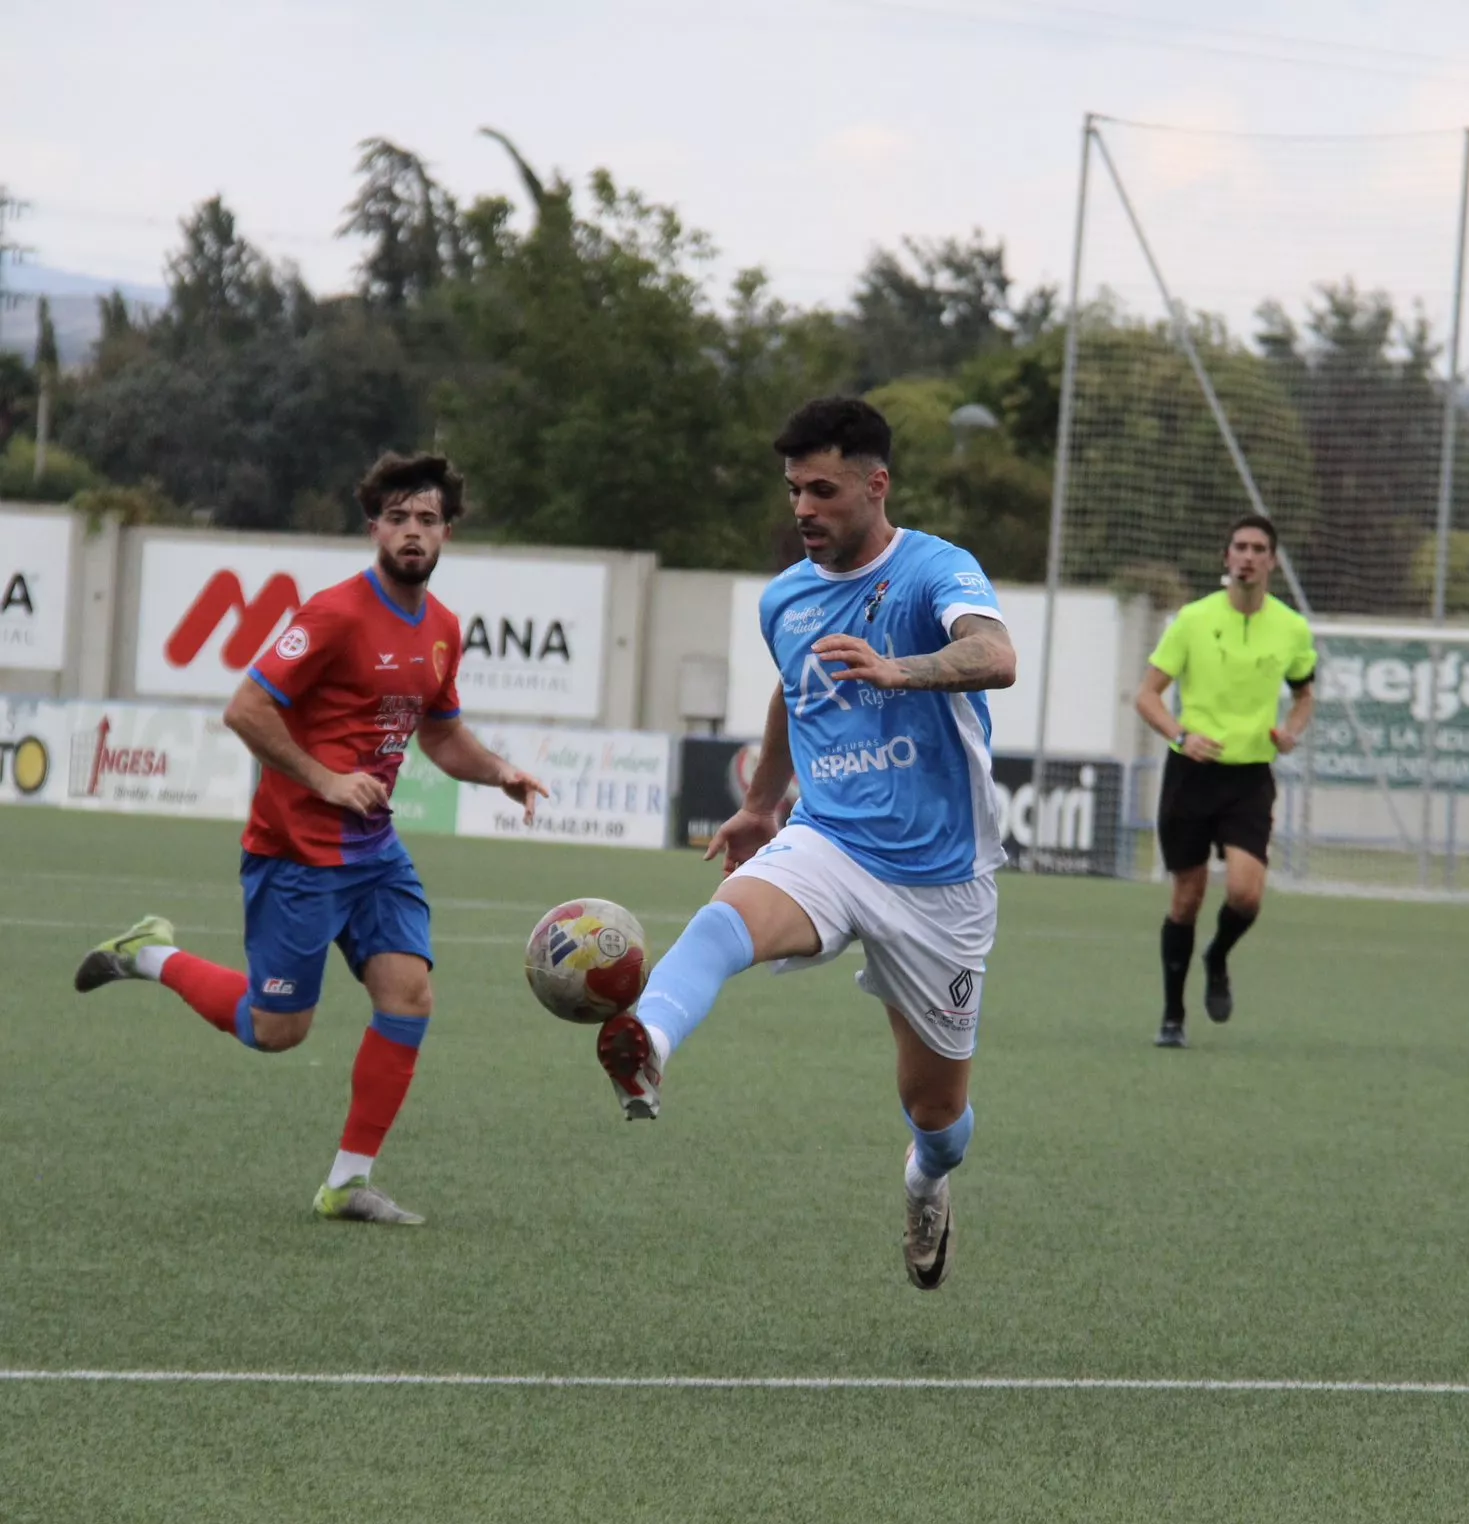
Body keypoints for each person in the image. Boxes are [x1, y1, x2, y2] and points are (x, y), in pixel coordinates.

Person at [593, 397, 1016, 1291]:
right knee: (723, 922)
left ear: (876, 483)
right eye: (793, 491)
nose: (803, 510)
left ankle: (926, 1181)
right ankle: (649, 1043)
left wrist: (902, 669)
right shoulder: (786, 597)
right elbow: (794, 690)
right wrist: (760, 803)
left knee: (936, 1112)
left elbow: (995, 655)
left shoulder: (937, 570)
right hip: (827, 842)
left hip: (942, 882)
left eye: (822, 491)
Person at [73, 452, 547, 1224]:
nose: (412, 532)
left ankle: (346, 1183)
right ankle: (148, 955)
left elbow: (442, 737)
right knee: (276, 1031)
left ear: (446, 533)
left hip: (375, 853)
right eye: (398, 518)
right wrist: (325, 780)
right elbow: (245, 709)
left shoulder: (443, 630)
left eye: (426, 519)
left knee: (410, 997)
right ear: (374, 529)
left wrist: (500, 773)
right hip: (296, 853)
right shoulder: (333, 614)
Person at [1134, 515, 1317, 1049]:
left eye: (1259, 549)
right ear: (1225, 556)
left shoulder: (1291, 628)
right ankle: (1172, 1014)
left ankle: (1217, 957)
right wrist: (1179, 734)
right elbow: (1147, 695)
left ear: (1273, 562)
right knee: (1187, 898)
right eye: (1239, 546)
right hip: (1192, 774)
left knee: (1245, 893)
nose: (1248, 556)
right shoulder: (1192, 620)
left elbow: (1305, 693)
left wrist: (1292, 732)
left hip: (1250, 777)